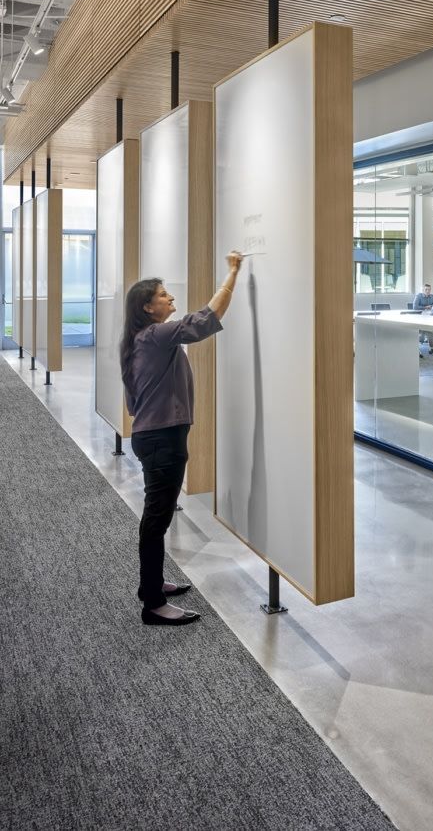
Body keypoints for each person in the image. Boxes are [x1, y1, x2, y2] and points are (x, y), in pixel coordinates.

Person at [120, 251, 243, 626]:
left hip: (153, 437)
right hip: (162, 441)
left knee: (155, 518)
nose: (171, 299)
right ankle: (153, 603)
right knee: (156, 520)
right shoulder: (156, 336)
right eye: (164, 295)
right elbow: (205, 320)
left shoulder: (138, 340)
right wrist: (233, 273)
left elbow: (131, 402)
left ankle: (152, 586)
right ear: (148, 307)